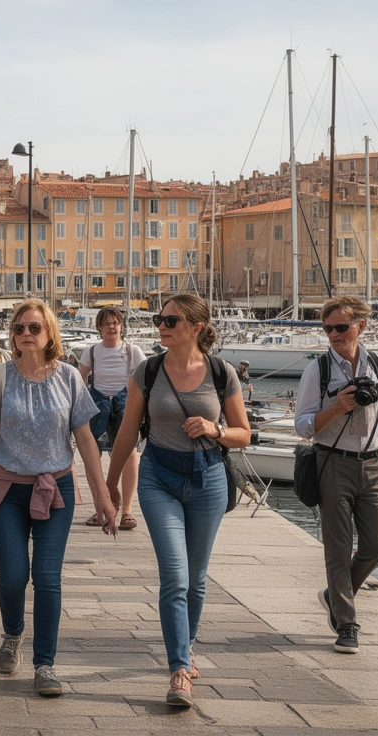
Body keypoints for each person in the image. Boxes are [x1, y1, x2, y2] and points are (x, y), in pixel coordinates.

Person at [104, 294, 251, 707]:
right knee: (175, 575)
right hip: (157, 478)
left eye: (171, 319)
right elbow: (128, 433)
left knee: (197, 578)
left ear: (196, 327)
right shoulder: (147, 371)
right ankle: (178, 670)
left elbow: (244, 433)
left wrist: (214, 428)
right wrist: (111, 486)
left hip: (208, 479)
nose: (161, 324)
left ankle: (187, 646)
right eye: (159, 318)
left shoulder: (221, 373)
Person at [0, 299, 113, 696]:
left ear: (49, 334)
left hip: (56, 488)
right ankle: (13, 633)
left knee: (47, 577)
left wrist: (103, 497)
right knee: (13, 577)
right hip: (6, 489)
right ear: (11, 336)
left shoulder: (68, 377)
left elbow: (85, 440)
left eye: (34, 328)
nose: (26, 334)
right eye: (19, 328)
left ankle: (44, 664)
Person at [294, 295, 378, 655]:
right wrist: (337, 408)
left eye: (341, 327)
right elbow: (303, 426)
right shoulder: (318, 371)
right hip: (332, 463)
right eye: (328, 328)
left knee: (376, 547)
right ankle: (347, 624)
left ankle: (334, 595)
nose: (334, 334)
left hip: (373, 464)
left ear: (361, 326)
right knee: (338, 550)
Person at [77, 308, 147, 531]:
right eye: (106, 323)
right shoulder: (91, 352)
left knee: (130, 456)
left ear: (121, 326)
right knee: (91, 456)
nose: (111, 327)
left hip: (125, 405)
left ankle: (127, 511)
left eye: (115, 323)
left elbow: (145, 378)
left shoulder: (132, 351)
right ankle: (100, 510)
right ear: (99, 327)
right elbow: (80, 379)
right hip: (97, 405)